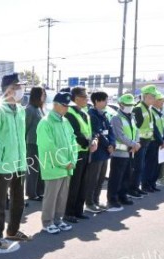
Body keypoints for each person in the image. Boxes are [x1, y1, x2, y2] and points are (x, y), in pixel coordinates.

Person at [0, 73, 31, 249]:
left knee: (18, 199)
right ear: (9, 90)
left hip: (19, 162)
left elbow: (21, 137)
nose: (21, 90)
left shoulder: (20, 111)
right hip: (3, 164)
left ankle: (13, 230)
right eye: (18, 87)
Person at [37, 92, 77, 234]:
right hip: (53, 166)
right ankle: (47, 222)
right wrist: (64, 162)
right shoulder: (45, 122)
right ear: (55, 105)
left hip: (67, 166)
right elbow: (48, 147)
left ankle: (58, 220)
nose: (67, 108)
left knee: (62, 196)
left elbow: (73, 141)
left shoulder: (65, 122)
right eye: (65, 105)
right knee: (51, 196)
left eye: (68, 106)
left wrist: (72, 160)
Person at [64, 86, 97, 223]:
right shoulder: (70, 112)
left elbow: (90, 131)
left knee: (83, 183)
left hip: (86, 152)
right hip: (76, 152)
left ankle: (79, 210)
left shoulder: (84, 112)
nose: (87, 98)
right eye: (85, 96)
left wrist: (94, 140)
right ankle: (69, 212)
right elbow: (75, 133)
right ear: (77, 98)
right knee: (74, 184)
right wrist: (89, 143)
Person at [107, 94, 141, 212]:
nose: (129, 107)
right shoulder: (116, 118)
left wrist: (136, 143)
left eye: (131, 105)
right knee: (116, 177)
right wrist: (134, 144)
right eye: (127, 105)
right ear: (120, 105)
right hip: (119, 152)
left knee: (127, 176)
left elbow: (136, 131)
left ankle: (123, 195)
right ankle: (112, 199)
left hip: (130, 152)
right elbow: (119, 135)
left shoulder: (131, 117)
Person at [85, 90, 116, 213]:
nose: (106, 102)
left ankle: (96, 200)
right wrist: (108, 144)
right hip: (97, 152)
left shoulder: (104, 114)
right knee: (93, 178)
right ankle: (89, 202)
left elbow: (110, 130)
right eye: (104, 100)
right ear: (97, 101)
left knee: (101, 178)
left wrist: (112, 143)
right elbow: (97, 133)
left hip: (105, 152)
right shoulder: (91, 115)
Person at [129, 84, 157, 198]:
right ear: (144, 97)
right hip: (139, 142)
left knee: (141, 167)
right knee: (137, 167)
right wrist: (136, 142)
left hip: (146, 142)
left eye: (154, 97)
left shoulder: (148, 108)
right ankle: (132, 189)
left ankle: (137, 187)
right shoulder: (138, 108)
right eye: (151, 97)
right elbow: (135, 127)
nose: (153, 99)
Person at [143, 91, 164, 192]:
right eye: (161, 100)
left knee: (157, 165)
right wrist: (161, 141)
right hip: (154, 142)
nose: (162, 102)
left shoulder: (159, 112)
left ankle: (152, 184)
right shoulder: (151, 112)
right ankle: (146, 185)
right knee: (150, 165)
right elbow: (154, 129)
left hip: (161, 142)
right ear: (155, 101)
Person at [25, 87, 46, 201]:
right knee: (33, 169)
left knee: (40, 169)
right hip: (32, 143)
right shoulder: (30, 109)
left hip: (41, 144)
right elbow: (25, 128)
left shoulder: (39, 109)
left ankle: (39, 191)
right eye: (42, 94)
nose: (44, 96)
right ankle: (31, 193)